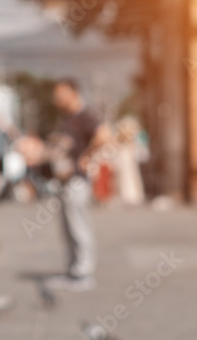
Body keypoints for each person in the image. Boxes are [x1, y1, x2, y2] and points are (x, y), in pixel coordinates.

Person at [45, 78, 110, 291]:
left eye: (61, 94)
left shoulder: (84, 115)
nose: (57, 99)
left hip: (77, 181)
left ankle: (84, 272)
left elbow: (103, 134)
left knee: (78, 225)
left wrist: (86, 156)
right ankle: (74, 270)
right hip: (64, 181)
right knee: (68, 227)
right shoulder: (67, 118)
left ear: (73, 93)